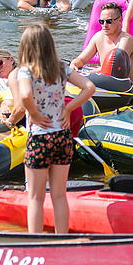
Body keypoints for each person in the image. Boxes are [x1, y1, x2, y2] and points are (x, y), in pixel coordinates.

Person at [16, 24, 95, 233]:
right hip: (62, 136)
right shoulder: (61, 68)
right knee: (59, 196)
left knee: (35, 197)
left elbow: (24, 95)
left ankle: (36, 243)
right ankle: (62, 239)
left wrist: (33, 113)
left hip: (39, 138)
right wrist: (68, 108)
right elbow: (89, 87)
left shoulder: (26, 71)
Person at [71, 2, 133, 103]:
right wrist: (74, 65)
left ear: (119, 20)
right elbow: (81, 59)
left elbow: (114, 67)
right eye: (101, 21)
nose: (104, 25)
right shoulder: (98, 37)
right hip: (107, 87)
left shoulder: (126, 40)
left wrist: (86, 73)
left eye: (108, 21)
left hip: (128, 92)